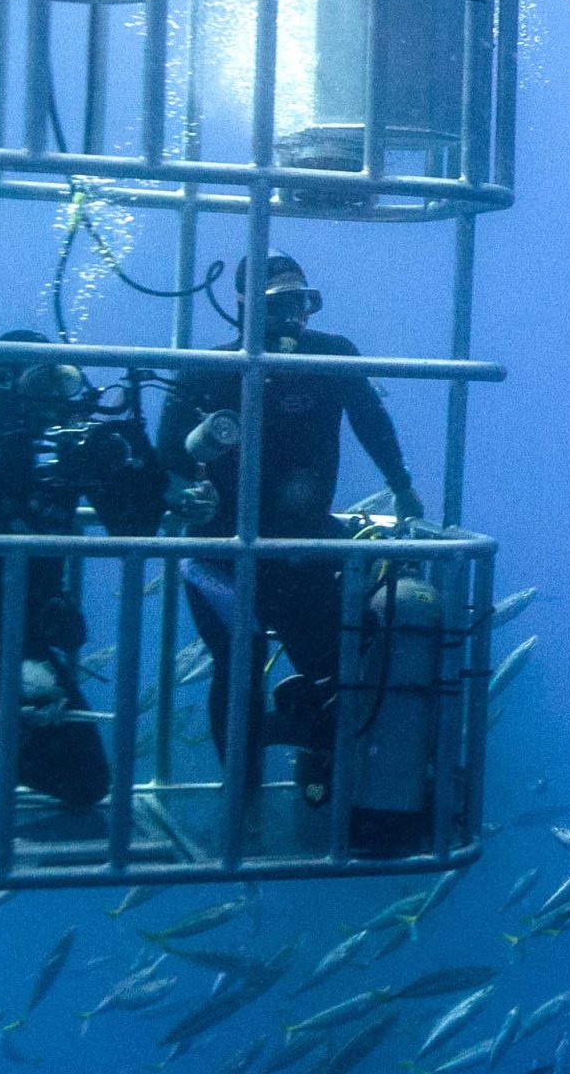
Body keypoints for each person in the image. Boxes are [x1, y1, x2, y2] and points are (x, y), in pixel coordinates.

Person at [157, 254, 422, 797]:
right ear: (243, 308)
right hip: (220, 554)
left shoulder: (333, 355)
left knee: (349, 673)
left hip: (303, 550)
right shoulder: (208, 369)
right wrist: (186, 497)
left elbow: (372, 420)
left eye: (301, 302)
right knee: (239, 664)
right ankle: (243, 799)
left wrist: (401, 482)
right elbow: (166, 455)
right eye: (278, 304)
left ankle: (297, 728)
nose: (293, 317)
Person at [0, 334, 164, 813]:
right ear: (4, 383)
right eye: (44, 379)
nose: (59, 395)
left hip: (26, 638)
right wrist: (6, 471)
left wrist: (131, 457)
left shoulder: (74, 447)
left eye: (65, 379)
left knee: (87, 783)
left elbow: (134, 528)